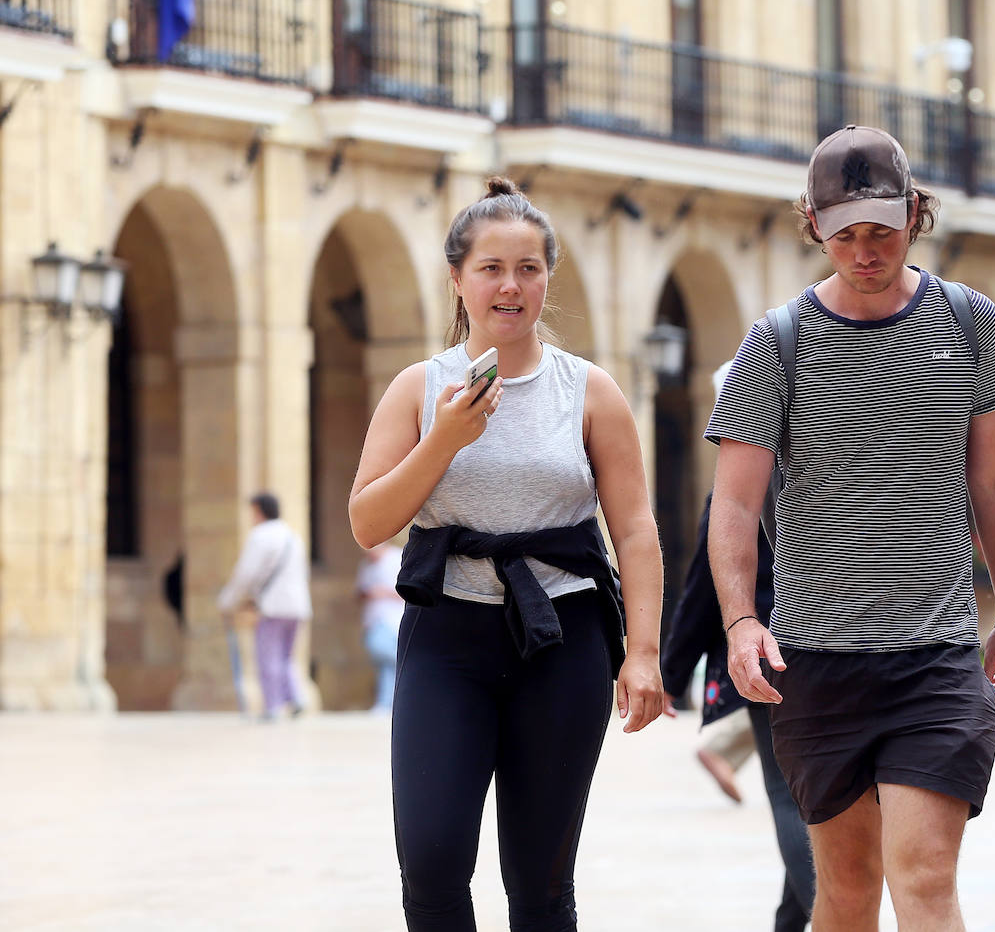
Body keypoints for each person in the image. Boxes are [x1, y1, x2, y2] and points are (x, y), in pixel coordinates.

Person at [707, 124, 995, 932]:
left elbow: (994, 478)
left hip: (936, 659)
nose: (864, 250)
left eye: (882, 231)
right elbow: (735, 504)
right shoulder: (775, 344)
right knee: (846, 898)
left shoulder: (968, 323)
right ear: (812, 223)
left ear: (916, 215)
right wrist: (742, 622)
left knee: (923, 878)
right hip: (818, 663)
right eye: (844, 233)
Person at [348, 177, 664, 931]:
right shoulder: (417, 389)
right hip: (446, 641)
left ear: (547, 277)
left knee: (541, 883)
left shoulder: (589, 392)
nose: (511, 286)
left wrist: (644, 652)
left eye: (529, 268)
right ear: (457, 279)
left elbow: (637, 532)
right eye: (491, 267)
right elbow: (368, 521)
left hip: (563, 641)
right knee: (429, 862)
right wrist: (445, 440)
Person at [662, 362, 815, 932]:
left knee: (789, 797)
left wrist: (672, 672)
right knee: (823, 802)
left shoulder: (738, 490)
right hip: (849, 645)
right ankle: (793, 921)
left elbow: (704, 587)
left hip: (769, 652)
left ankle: (828, 918)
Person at [217, 491, 312, 721]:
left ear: (259, 510)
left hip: (273, 605)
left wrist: (227, 599)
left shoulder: (261, 536)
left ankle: (273, 706)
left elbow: (246, 574)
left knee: (268, 655)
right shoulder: (292, 536)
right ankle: (295, 697)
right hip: (297, 605)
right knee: (287, 656)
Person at [357, 541, 405, 713]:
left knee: (388, 657)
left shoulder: (397, 558)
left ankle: (388, 702)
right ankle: (386, 703)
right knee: (385, 663)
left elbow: (407, 590)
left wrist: (383, 592)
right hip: (374, 619)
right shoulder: (366, 564)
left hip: (395, 618)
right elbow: (360, 591)